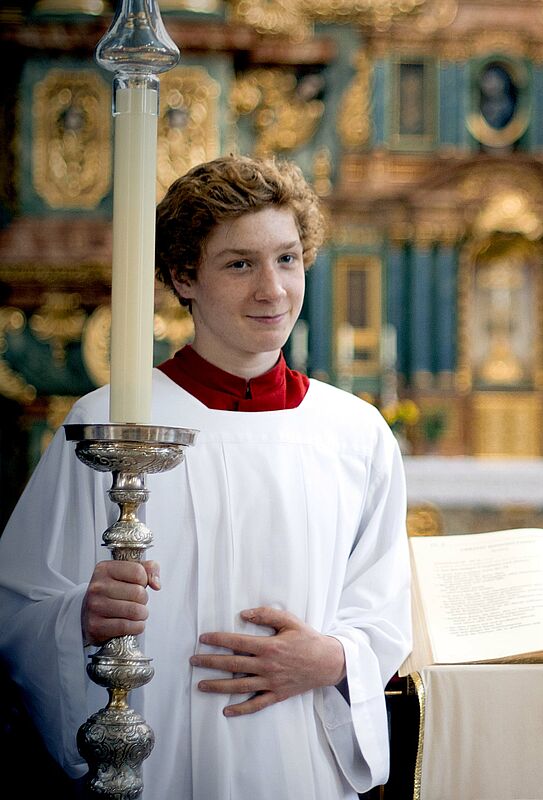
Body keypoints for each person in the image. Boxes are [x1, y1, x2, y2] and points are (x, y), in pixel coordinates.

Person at [0, 155, 411, 799]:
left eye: (287, 259)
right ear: (183, 276)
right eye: (239, 263)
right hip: (158, 761)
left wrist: (330, 660)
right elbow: (16, 606)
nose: (272, 290)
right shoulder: (109, 426)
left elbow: (382, 612)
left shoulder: (356, 435)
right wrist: (81, 617)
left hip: (297, 761)